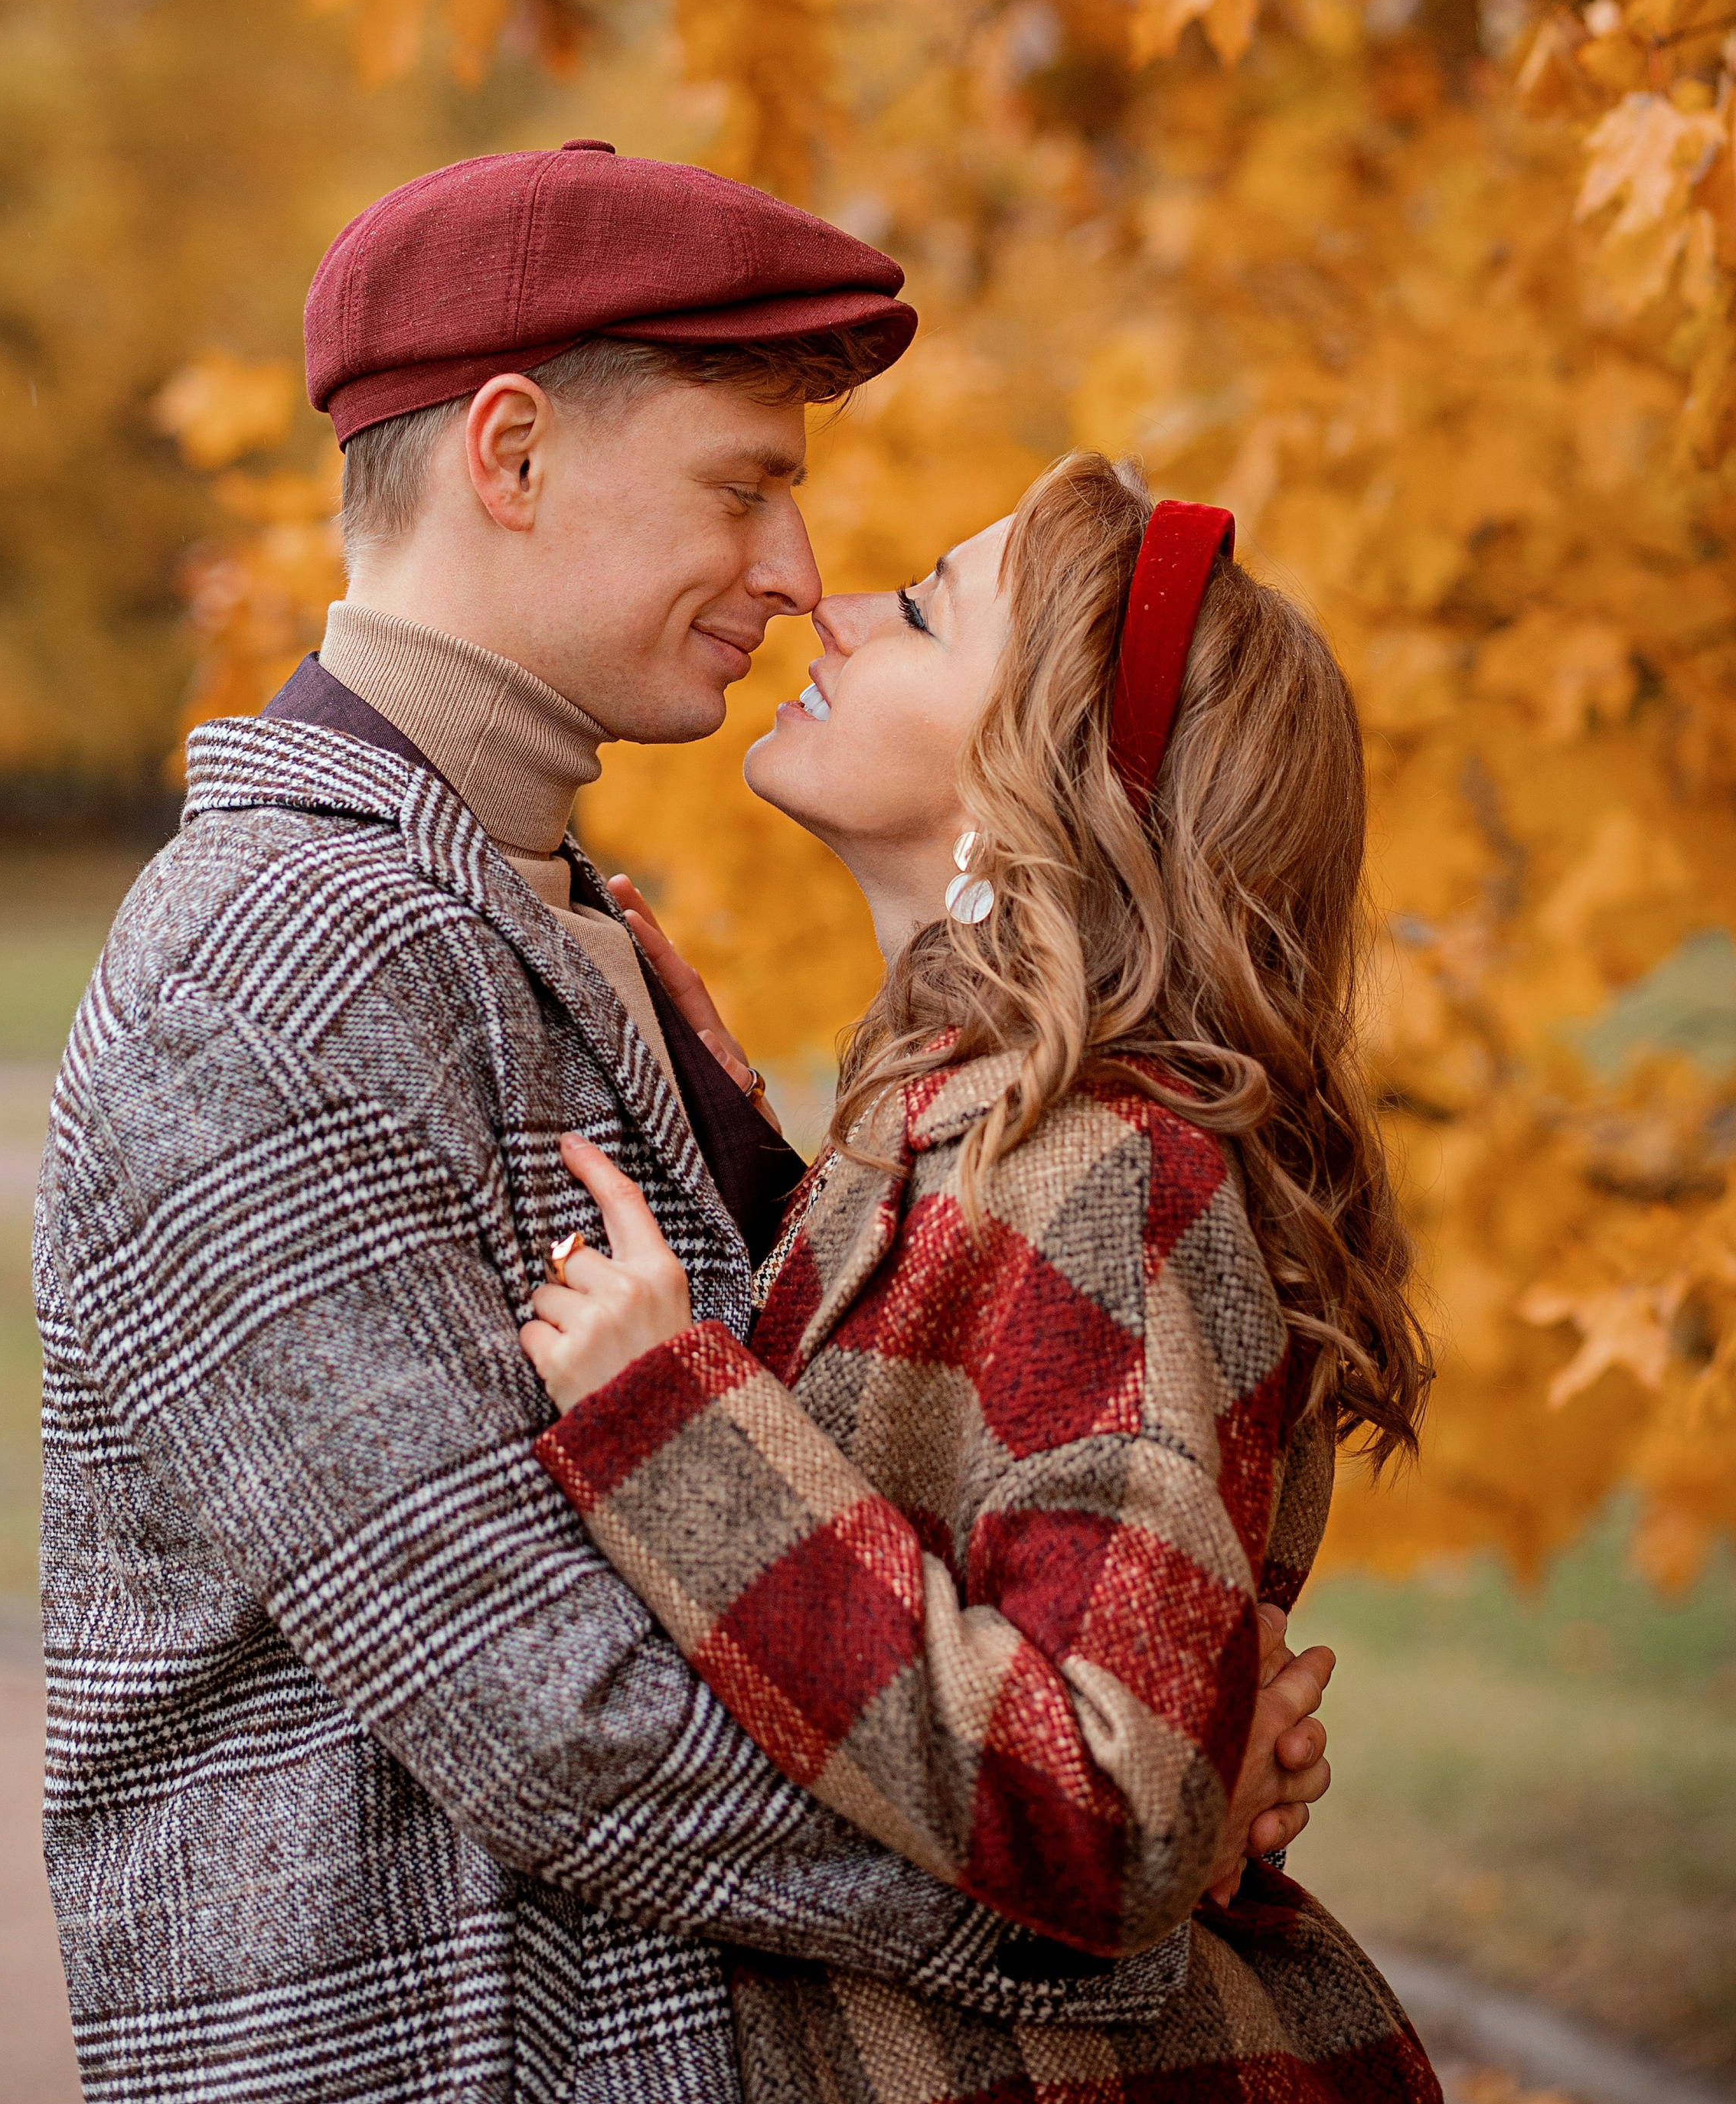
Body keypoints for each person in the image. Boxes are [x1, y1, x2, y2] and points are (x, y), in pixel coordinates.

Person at [36, 145, 1336, 2104]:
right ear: (511, 454)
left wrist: (1143, 1735)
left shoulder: (565, 921)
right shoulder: (266, 970)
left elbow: (903, 1496)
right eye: (745, 485)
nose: (800, 575)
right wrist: (1118, 1880)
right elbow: (548, 1703)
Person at [522, 451, 1439, 2104]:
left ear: (1041, 785)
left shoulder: (1116, 1172)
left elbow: (1108, 1803)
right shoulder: (969, 1135)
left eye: (926, 609)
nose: (832, 602)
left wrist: (676, 1426)